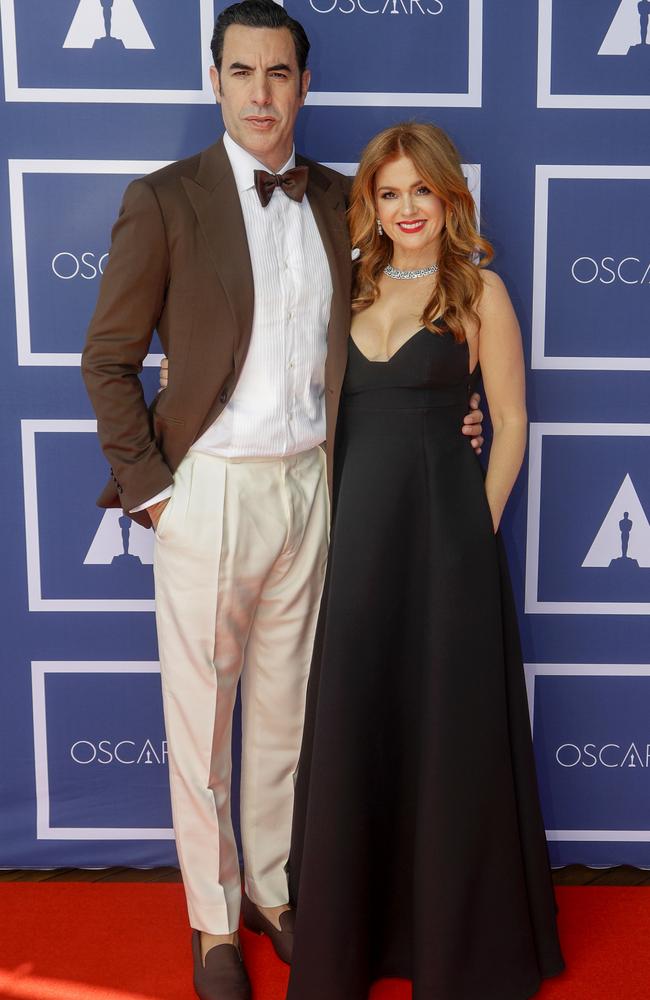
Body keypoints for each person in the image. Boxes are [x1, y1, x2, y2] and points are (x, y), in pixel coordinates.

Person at [81, 4, 484, 999]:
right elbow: (107, 359)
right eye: (241, 72)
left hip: (319, 485)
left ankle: (272, 888)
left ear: (304, 83)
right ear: (213, 81)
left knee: (287, 717)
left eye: (278, 73)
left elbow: (411, 322)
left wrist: (454, 415)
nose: (260, 93)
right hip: (208, 491)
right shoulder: (165, 199)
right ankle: (212, 922)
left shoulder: (345, 202)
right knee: (200, 721)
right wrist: (157, 497)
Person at [286, 122, 565, 1000]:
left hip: (447, 542)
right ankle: (358, 937)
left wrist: (475, 527)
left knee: (450, 731)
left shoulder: (480, 291)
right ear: (369, 203)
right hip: (360, 540)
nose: (407, 209)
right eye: (389, 192)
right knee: (362, 719)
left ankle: (457, 943)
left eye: (422, 191)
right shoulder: (352, 286)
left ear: (449, 200)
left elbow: (510, 420)